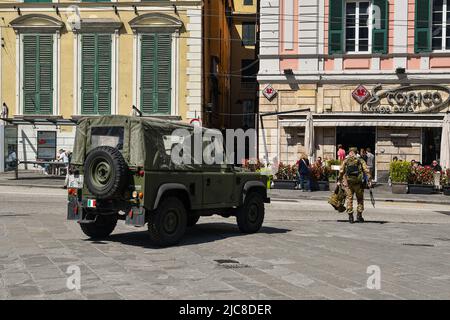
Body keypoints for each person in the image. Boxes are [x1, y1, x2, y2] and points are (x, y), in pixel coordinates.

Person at [338, 147, 372, 224]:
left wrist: (340, 180)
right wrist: (369, 180)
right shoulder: (360, 160)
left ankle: (350, 216)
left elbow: (341, 171)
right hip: (358, 184)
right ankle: (359, 216)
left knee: (349, 199)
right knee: (360, 199)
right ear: (356, 152)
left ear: (349, 152)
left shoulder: (346, 161)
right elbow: (367, 170)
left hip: (348, 184)